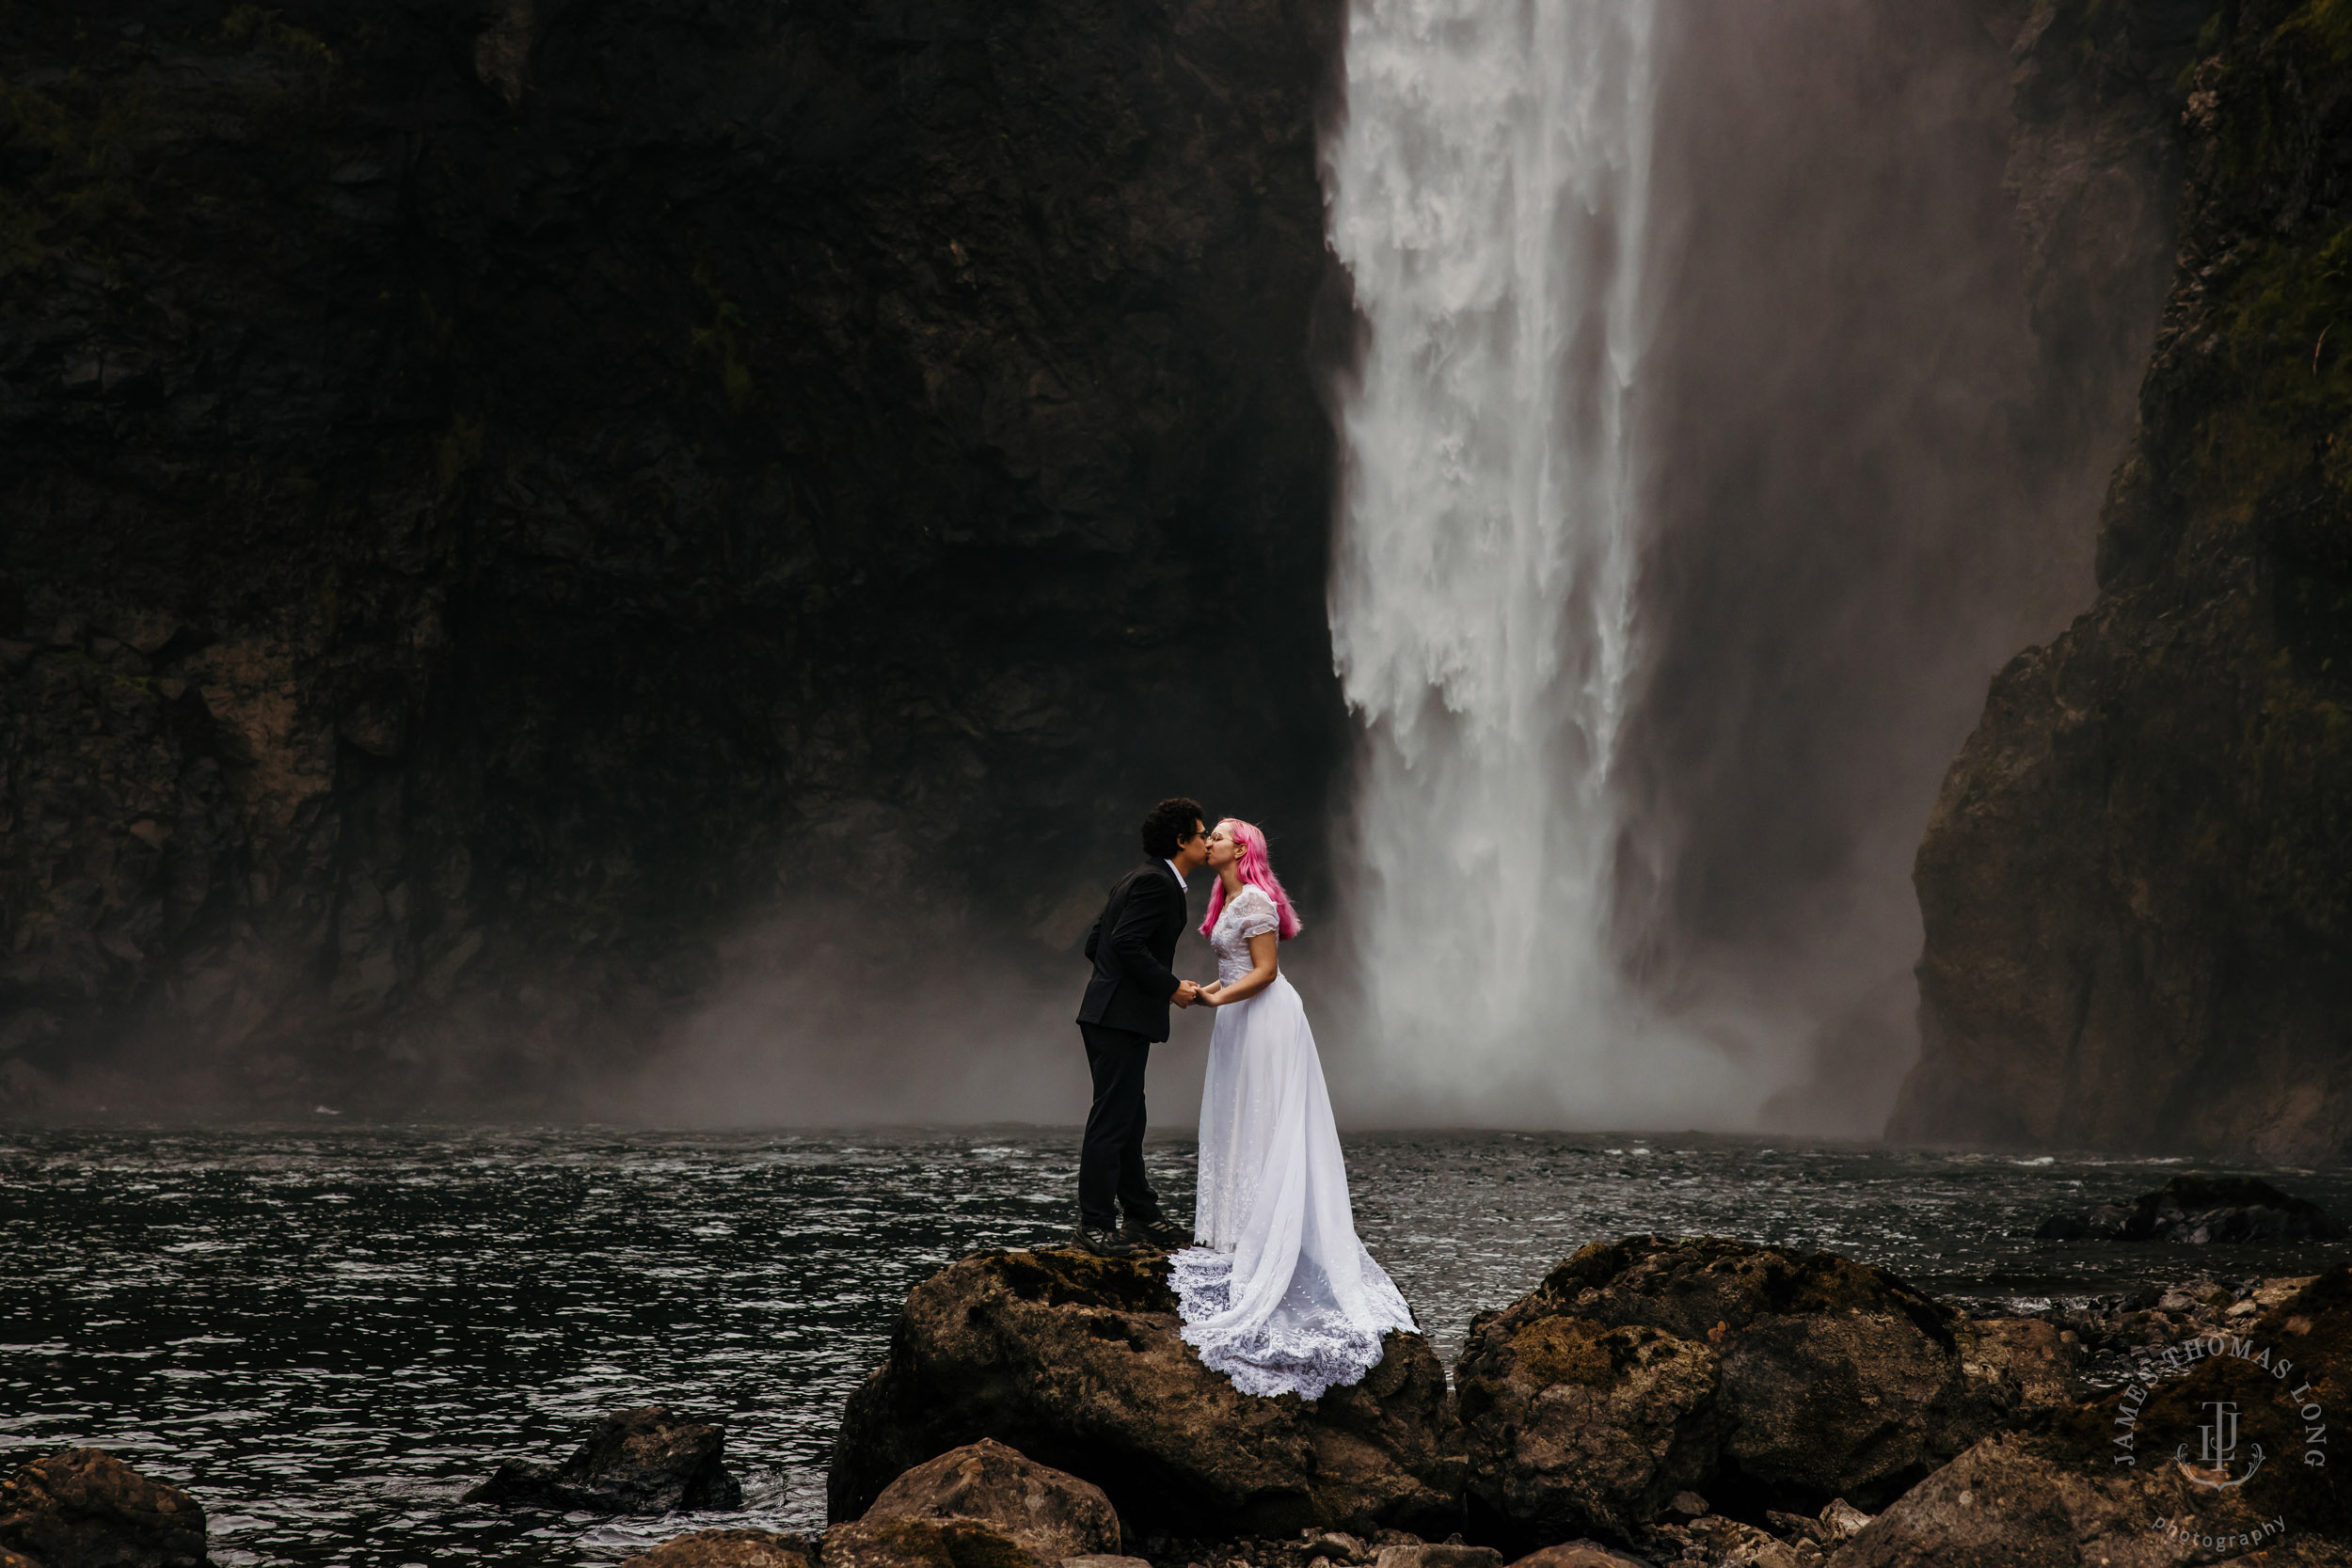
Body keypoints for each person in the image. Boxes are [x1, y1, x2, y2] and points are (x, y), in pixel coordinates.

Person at [1170, 817, 1416, 1399]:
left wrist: (1214, 997)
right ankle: (1242, 1233)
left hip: (1265, 1018)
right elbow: (1240, 970)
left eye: (1221, 835)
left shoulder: (1254, 898)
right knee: (1240, 1120)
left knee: (1265, 1121)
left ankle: (1269, 1238)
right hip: (1238, 1017)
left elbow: (1266, 972)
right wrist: (1219, 996)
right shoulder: (1228, 896)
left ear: (1242, 848)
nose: (1212, 841)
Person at [1072, 797, 1209, 1257]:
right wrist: (1168, 987)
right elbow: (1124, 942)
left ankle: (1141, 1215)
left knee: (1129, 1116)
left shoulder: (1136, 877)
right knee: (1113, 1120)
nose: (1208, 842)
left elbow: (1098, 944)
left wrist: (1124, 986)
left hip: (1109, 1015)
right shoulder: (1156, 884)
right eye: (1202, 834)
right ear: (1181, 840)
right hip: (1117, 1020)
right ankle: (1094, 1225)